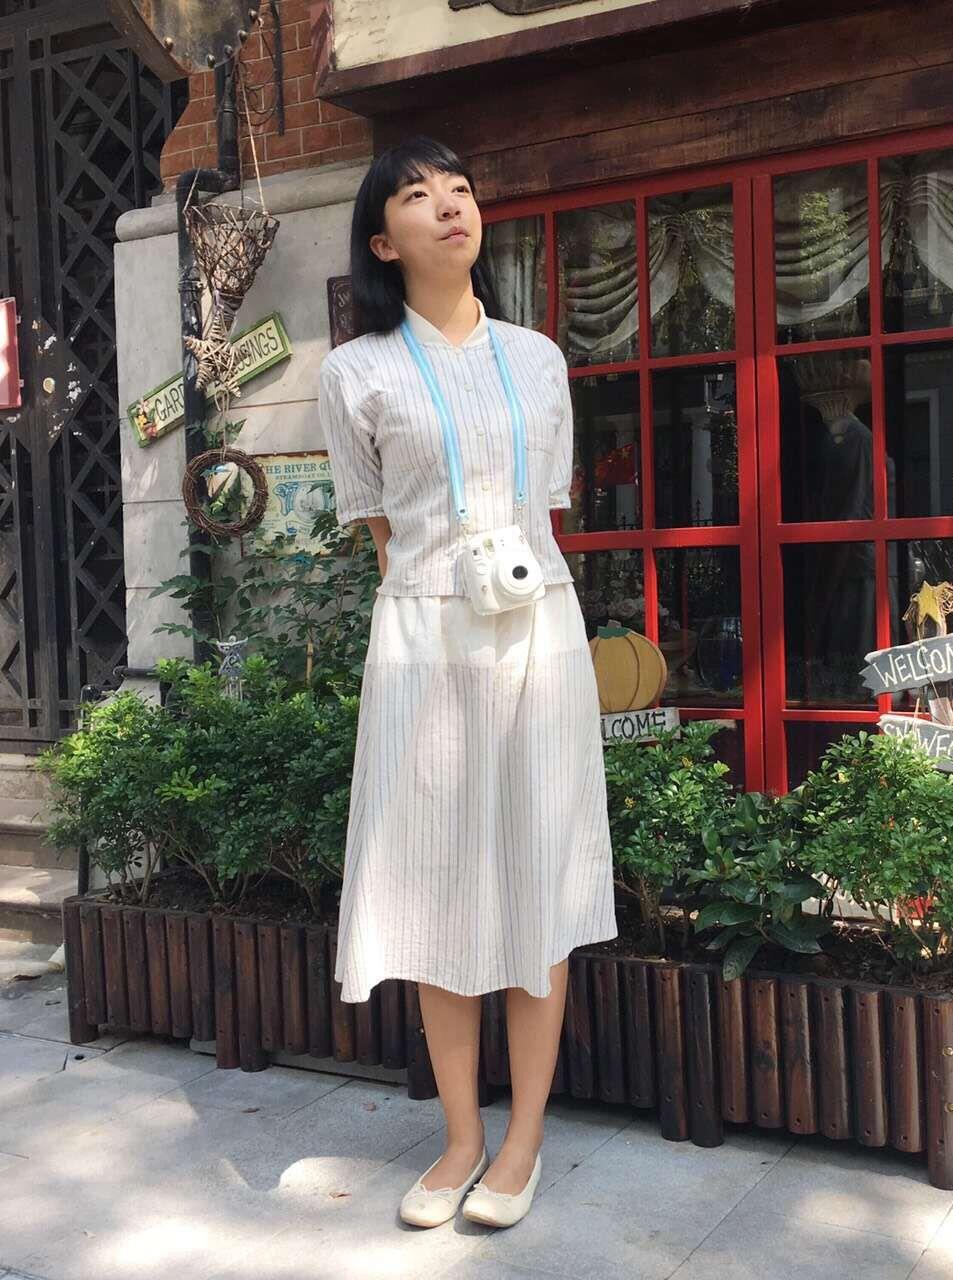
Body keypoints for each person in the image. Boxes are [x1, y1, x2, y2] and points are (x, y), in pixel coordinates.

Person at [315, 137, 619, 1230]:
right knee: (436, 879)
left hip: (537, 629)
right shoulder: (353, 371)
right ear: (381, 241)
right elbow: (381, 536)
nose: (449, 206)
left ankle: (523, 1135)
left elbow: (546, 508)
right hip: (423, 636)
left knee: (538, 872)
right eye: (417, 193)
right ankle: (459, 1135)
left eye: (461, 189)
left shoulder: (537, 358)